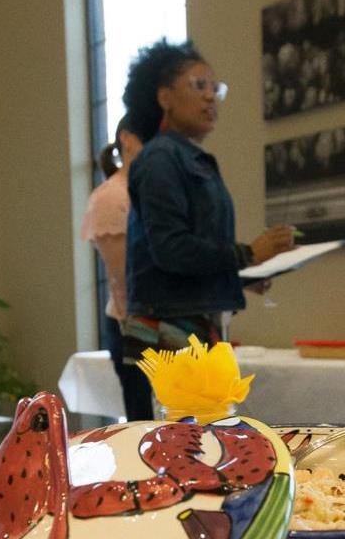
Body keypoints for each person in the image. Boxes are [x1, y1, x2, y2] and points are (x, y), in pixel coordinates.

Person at [120, 39, 295, 369]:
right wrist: (246, 254)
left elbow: (193, 257)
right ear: (164, 97)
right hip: (166, 328)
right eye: (199, 85)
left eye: (216, 88)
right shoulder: (160, 158)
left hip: (193, 322)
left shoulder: (189, 157)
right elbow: (170, 249)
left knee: (202, 421)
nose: (210, 96)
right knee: (176, 421)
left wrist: (239, 276)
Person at [80, 115, 153, 420]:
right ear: (127, 139)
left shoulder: (159, 190)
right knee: (145, 426)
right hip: (133, 323)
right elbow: (127, 279)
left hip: (167, 321)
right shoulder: (112, 196)